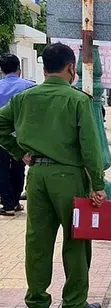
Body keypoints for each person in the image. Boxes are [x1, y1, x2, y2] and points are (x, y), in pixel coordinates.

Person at [0, 43, 107, 308]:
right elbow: (90, 148)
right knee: (76, 240)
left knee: (37, 241)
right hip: (69, 178)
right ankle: (73, 305)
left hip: (36, 177)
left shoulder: (24, 98)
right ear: (71, 68)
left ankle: (37, 303)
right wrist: (97, 184)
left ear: (44, 68)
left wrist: (18, 152)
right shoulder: (77, 100)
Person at [0, 54, 35, 216]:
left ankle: (7, 205)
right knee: (18, 169)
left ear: (1, 70)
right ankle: (15, 202)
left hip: (1, 137)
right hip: (22, 136)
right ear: (19, 70)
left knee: (2, 171)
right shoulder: (30, 87)